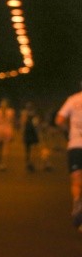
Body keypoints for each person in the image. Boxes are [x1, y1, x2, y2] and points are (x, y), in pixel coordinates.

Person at [55, 88, 82, 228]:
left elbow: (59, 120)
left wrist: (68, 131)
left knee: (76, 181)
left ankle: (77, 201)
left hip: (76, 145)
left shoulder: (73, 99)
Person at [0, 98, 16, 170]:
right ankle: (2, 163)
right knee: (2, 148)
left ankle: (2, 163)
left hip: (3, 130)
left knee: (3, 148)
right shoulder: (9, 111)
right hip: (4, 130)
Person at [20, 101, 40, 172]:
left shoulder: (24, 114)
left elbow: (23, 124)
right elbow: (36, 124)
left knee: (28, 149)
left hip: (28, 132)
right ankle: (31, 163)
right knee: (33, 148)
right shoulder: (34, 114)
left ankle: (28, 162)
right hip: (32, 133)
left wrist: (22, 134)